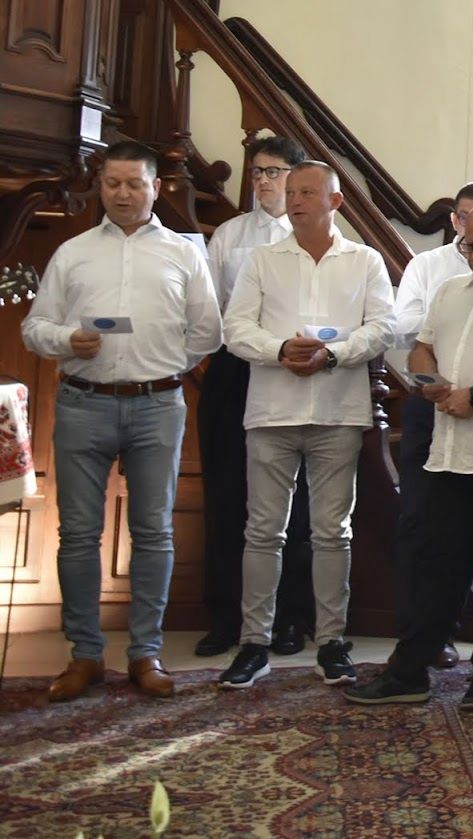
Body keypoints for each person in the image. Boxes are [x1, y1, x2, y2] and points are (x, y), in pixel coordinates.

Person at [23, 142, 222, 702]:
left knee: (154, 533)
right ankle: (84, 655)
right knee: (78, 534)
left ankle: (145, 653)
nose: (123, 193)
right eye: (113, 183)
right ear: (101, 186)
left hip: (157, 404)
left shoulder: (184, 254)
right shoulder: (73, 252)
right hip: (83, 403)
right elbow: (35, 328)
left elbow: (208, 331)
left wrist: (163, 365)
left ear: (155, 187)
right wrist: (67, 339)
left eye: (134, 183)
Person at [345, 203, 473, 711]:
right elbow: (423, 347)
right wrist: (428, 381)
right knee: (437, 564)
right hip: (449, 453)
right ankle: (410, 670)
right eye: (469, 247)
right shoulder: (450, 290)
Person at [218, 161, 396, 690]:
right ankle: (254, 643)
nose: (294, 200)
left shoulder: (364, 260)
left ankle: (332, 642)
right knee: (263, 532)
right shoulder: (262, 259)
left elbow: (383, 327)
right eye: (291, 192)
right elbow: (235, 328)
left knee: (332, 533)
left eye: (307, 192)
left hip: (338, 412)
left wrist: (333, 354)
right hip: (272, 412)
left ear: (335, 202)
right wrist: (279, 349)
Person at [196, 136, 316, 659]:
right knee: (228, 494)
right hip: (236, 370)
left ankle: (289, 617)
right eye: (258, 172)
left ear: (296, 178)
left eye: (274, 171)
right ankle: (227, 616)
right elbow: (211, 309)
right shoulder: (230, 234)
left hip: (294, 371)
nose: (264, 181)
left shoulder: (314, 235)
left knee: (294, 500)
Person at [391, 181, 473, 668]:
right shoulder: (428, 267)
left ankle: (453, 628)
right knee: (418, 520)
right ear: (455, 220)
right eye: (465, 216)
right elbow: (405, 326)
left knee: (471, 526)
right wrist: (442, 349)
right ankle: (416, 633)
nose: (472, 227)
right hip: (428, 402)